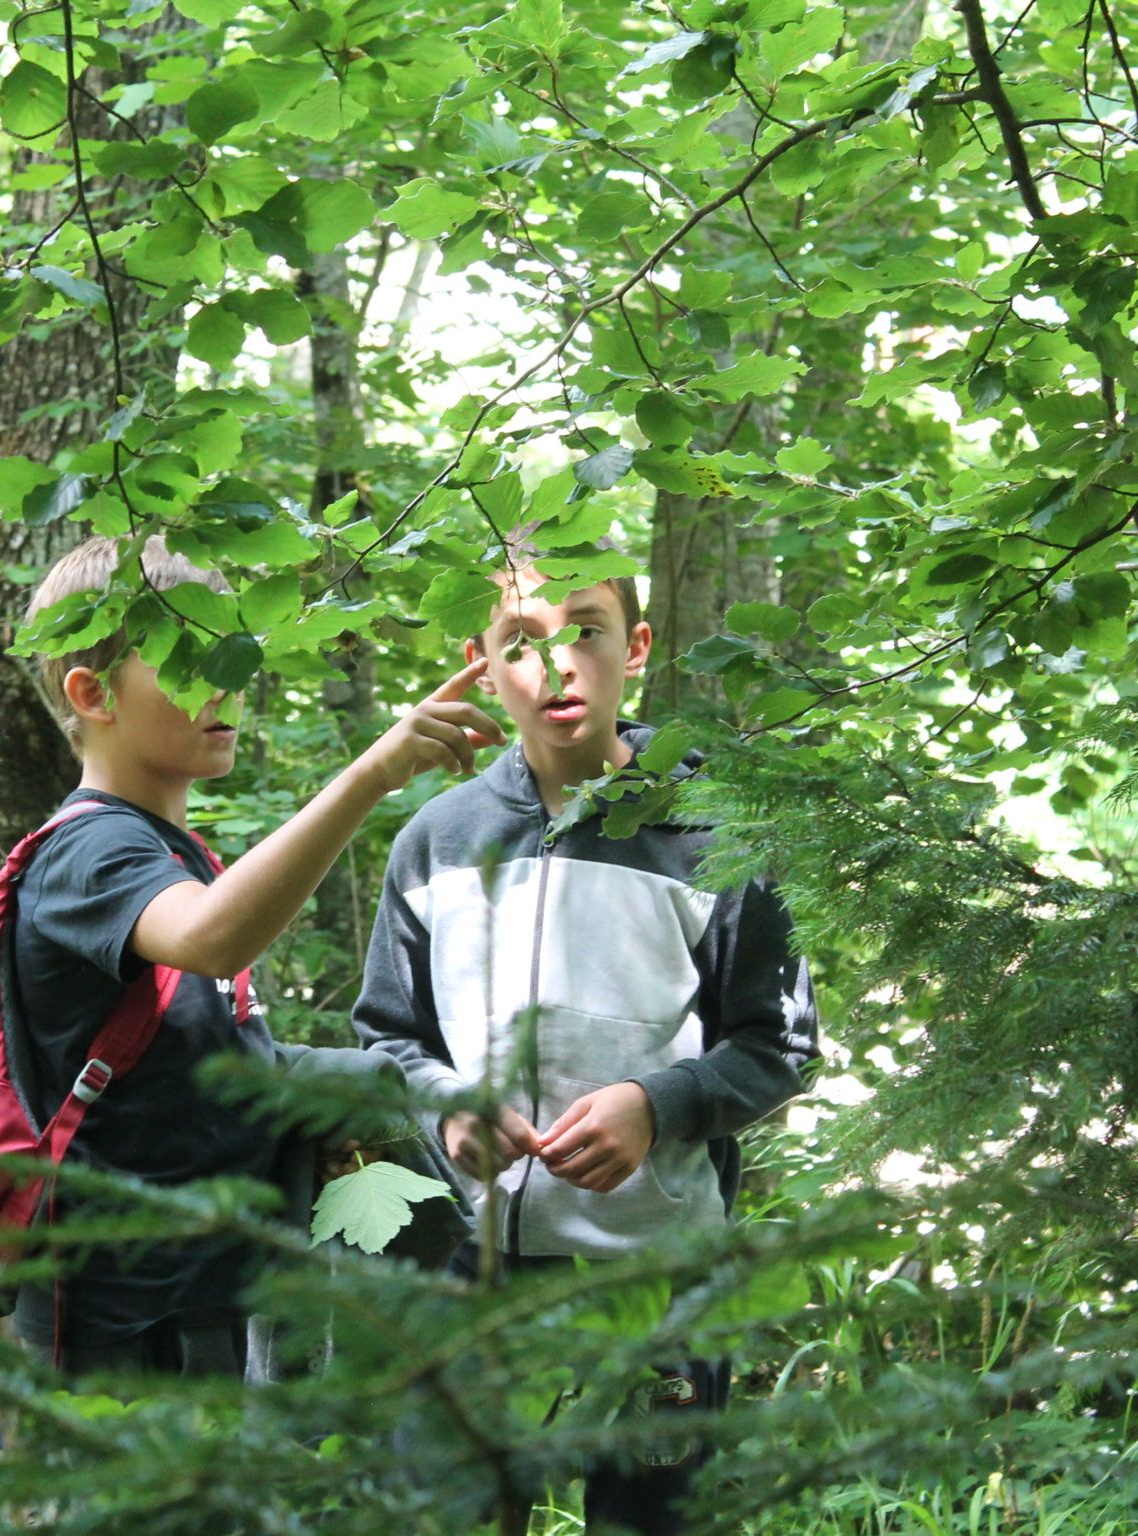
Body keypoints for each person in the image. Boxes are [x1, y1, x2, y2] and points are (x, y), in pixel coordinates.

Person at [350, 552, 819, 1536]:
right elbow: (388, 1037)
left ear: (636, 647)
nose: (557, 664)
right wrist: (444, 1105)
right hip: (468, 1273)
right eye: (522, 641)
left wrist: (658, 1106)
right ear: (481, 665)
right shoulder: (434, 843)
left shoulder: (721, 838)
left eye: (587, 631)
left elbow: (781, 1042)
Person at [6, 534, 507, 1377]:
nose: (228, 687)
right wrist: (373, 772)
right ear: (92, 694)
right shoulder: (87, 853)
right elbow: (213, 939)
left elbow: (200, 1061)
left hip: (197, 1303)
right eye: (188, 663)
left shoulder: (168, 851)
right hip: (119, 1326)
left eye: (234, 657)